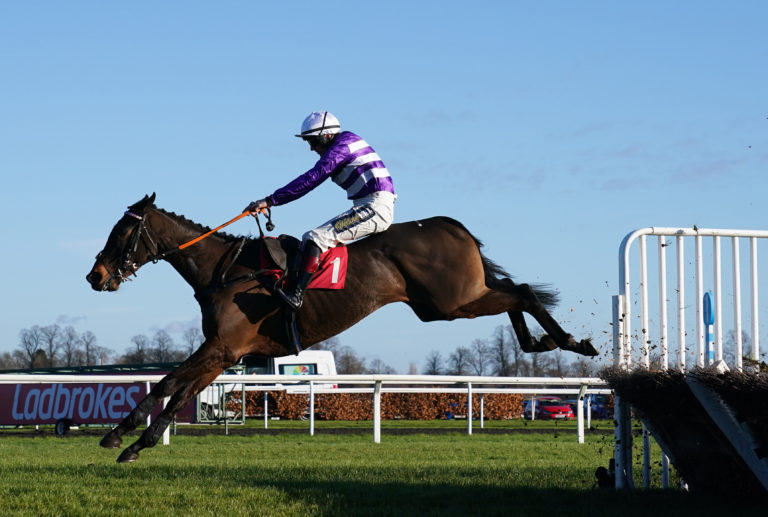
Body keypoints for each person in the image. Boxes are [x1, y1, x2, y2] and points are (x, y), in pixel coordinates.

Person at [245, 111, 396, 311]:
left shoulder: (341, 147)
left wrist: (271, 200)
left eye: (313, 141)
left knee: (315, 238)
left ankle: (296, 295)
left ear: (327, 135)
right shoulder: (342, 143)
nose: (312, 148)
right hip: (368, 204)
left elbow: (311, 179)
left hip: (374, 207)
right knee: (311, 237)